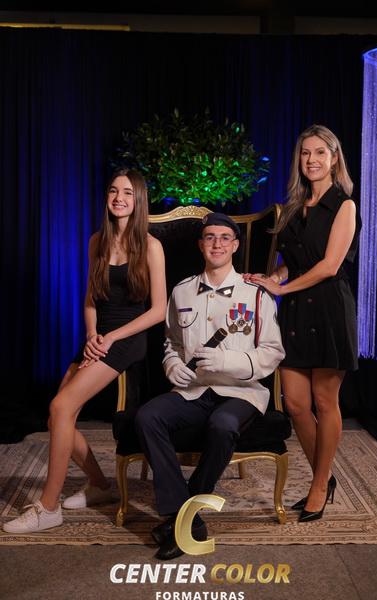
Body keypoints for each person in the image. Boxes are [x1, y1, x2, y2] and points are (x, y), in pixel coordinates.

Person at [3, 168, 167, 534]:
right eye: (113, 191)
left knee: (61, 407)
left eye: (127, 192)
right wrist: (92, 334)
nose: (119, 198)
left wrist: (111, 338)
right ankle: (100, 485)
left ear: (139, 200)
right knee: (56, 416)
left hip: (128, 338)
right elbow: (91, 298)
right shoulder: (97, 241)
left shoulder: (151, 246)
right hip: (99, 336)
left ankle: (48, 508)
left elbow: (158, 310)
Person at [135, 212, 285, 560]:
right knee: (147, 417)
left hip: (241, 391)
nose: (217, 244)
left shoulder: (256, 294)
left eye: (224, 238)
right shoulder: (182, 290)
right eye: (210, 237)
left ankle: (184, 515)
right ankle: (184, 515)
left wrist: (227, 361)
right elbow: (172, 342)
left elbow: (273, 351)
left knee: (223, 424)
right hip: (194, 389)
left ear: (235, 245)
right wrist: (172, 365)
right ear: (201, 244)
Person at [245, 124, 361, 523]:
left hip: (329, 310)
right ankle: (324, 477)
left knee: (325, 402)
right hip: (295, 310)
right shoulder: (294, 206)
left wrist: (283, 288)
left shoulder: (344, 206)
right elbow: (290, 263)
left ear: (334, 158)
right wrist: (271, 279)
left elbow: (329, 266)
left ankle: (318, 485)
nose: (311, 160)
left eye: (319, 153)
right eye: (305, 153)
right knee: (295, 403)